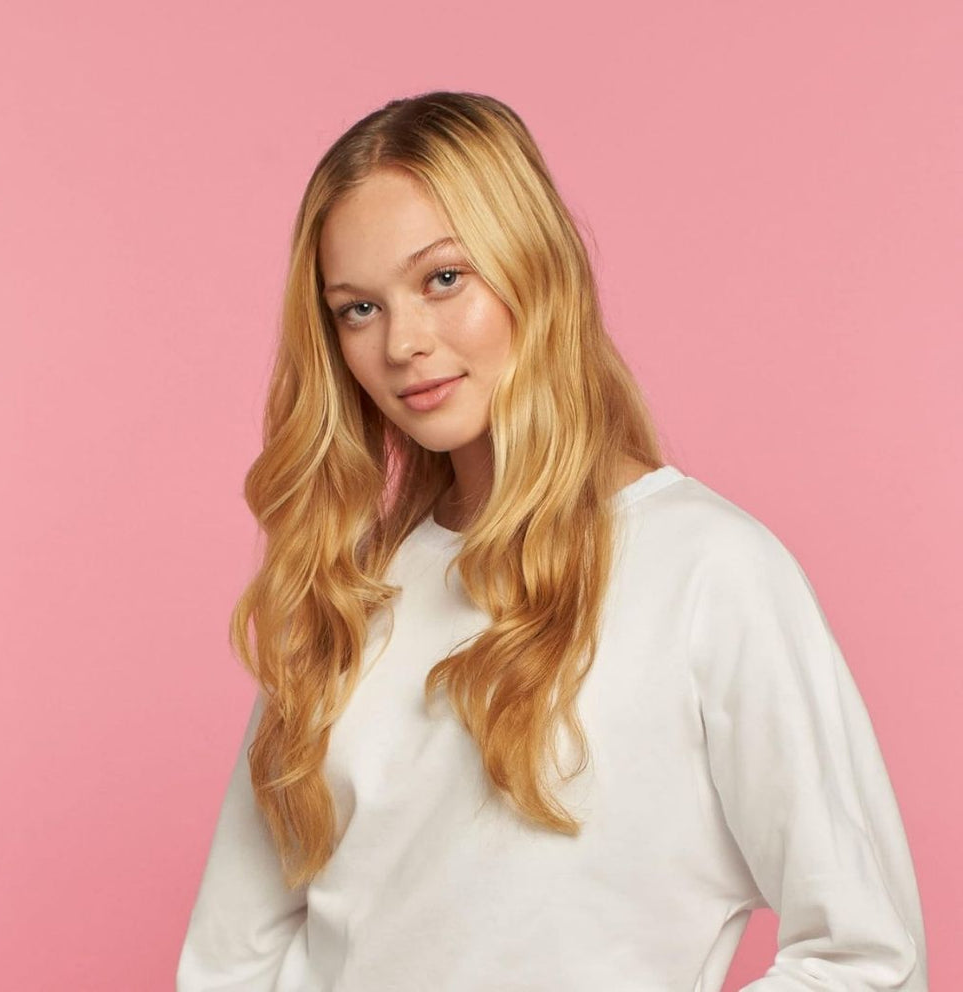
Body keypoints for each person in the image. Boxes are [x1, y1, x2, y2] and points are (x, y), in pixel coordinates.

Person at [176, 91, 928, 991]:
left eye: (443, 278)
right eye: (359, 309)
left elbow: (866, 957)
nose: (404, 342)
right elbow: (230, 963)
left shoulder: (706, 572)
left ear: (534, 264)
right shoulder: (348, 595)